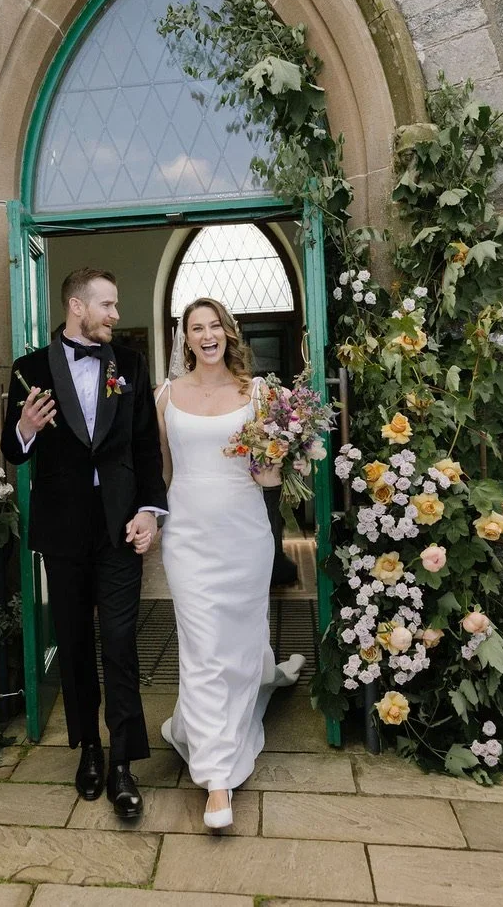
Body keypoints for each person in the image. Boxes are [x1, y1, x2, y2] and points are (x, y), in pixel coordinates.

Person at [1, 268, 167, 818]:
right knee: (73, 644)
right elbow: (14, 451)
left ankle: (123, 761)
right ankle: (88, 750)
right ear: (77, 305)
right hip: (63, 531)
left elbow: (145, 448)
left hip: (119, 528)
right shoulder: (28, 371)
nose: (116, 315)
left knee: (119, 643)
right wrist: (24, 427)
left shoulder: (133, 366)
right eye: (108, 306)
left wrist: (149, 511)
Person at [155, 297, 305, 829]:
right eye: (196, 328)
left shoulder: (258, 393)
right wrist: (148, 519)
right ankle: (217, 782)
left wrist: (275, 464)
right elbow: (163, 475)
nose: (207, 335)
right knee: (201, 649)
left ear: (228, 331)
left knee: (238, 646)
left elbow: (267, 473)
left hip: (244, 536)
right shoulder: (166, 397)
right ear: (186, 340)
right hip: (189, 537)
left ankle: (206, 721)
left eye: (214, 325)